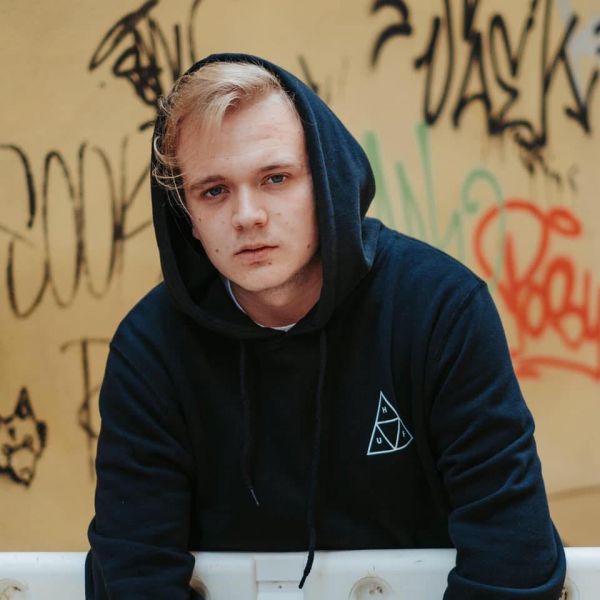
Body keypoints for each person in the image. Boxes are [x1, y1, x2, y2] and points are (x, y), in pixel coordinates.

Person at [85, 53, 566, 599]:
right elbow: (134, 572)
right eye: (213, 190)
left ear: (326, 183)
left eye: (276, 178)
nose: (247, 215)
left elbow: (512, 554)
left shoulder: (439, 311)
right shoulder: (150, 350)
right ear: (188, 216)